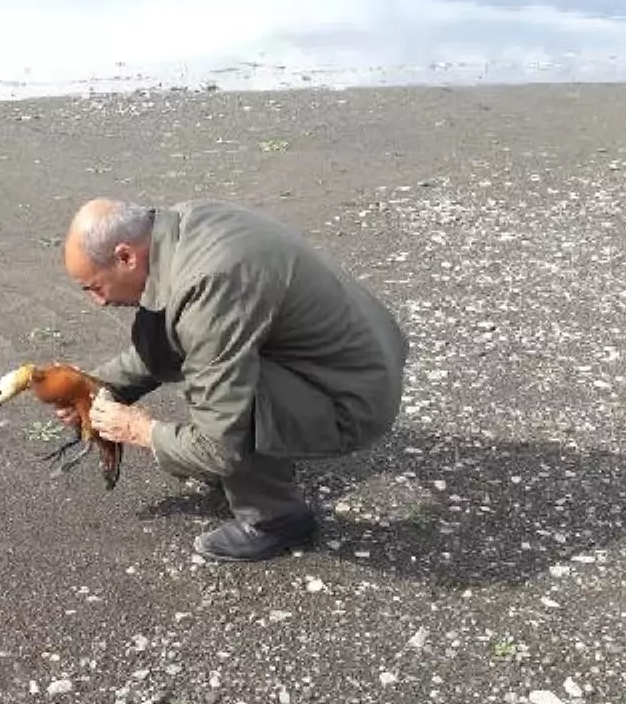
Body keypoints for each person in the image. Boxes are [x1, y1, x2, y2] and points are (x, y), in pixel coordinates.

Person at [57, 197, 410, 563]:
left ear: (126, 256)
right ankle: (266, 462)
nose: (97, 302)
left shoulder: (208, 283)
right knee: (211, 362)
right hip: (362, 355)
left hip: (356, 397)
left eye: (94, 287)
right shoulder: (182, 226)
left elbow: (219, 446)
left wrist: (141, 431)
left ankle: (275, 520)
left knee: (219, 395)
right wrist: (101, 385)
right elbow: (171, 332)